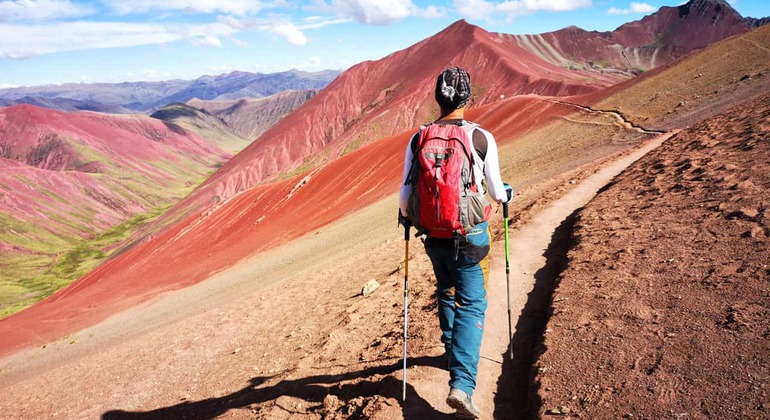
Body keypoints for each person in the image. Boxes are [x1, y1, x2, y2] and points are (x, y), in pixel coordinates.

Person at [398, 67, 510, 419]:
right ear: (467, 97)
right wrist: (506, 193)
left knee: (446, 290)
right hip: (471, 236)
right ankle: (462, 385)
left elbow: (404, 196)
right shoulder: (481, 138)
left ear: (437, 98)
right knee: (472, 306)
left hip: (434, 236)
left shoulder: (418, 139)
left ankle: (451, 349)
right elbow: (495, 191)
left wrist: (409, 216)